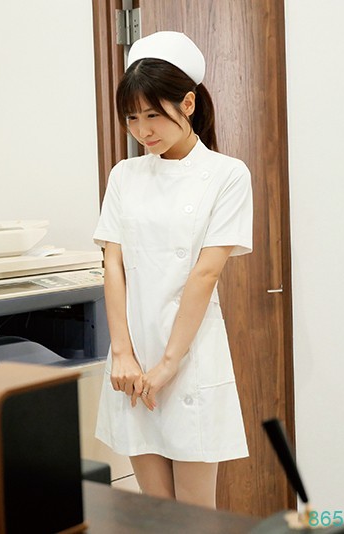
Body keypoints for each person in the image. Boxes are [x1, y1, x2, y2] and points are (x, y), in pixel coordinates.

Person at [93, 31, 252, 508]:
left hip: (189, 359)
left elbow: (204, 275)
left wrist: (167, 365)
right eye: (132, 118)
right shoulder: (124, 175)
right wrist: (123, 353)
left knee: (195, 517)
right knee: (155, 513)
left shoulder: (227, 175)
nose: (143, 130)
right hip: (132, 363)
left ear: (187, 103)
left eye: (153, 115)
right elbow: (113, 265)